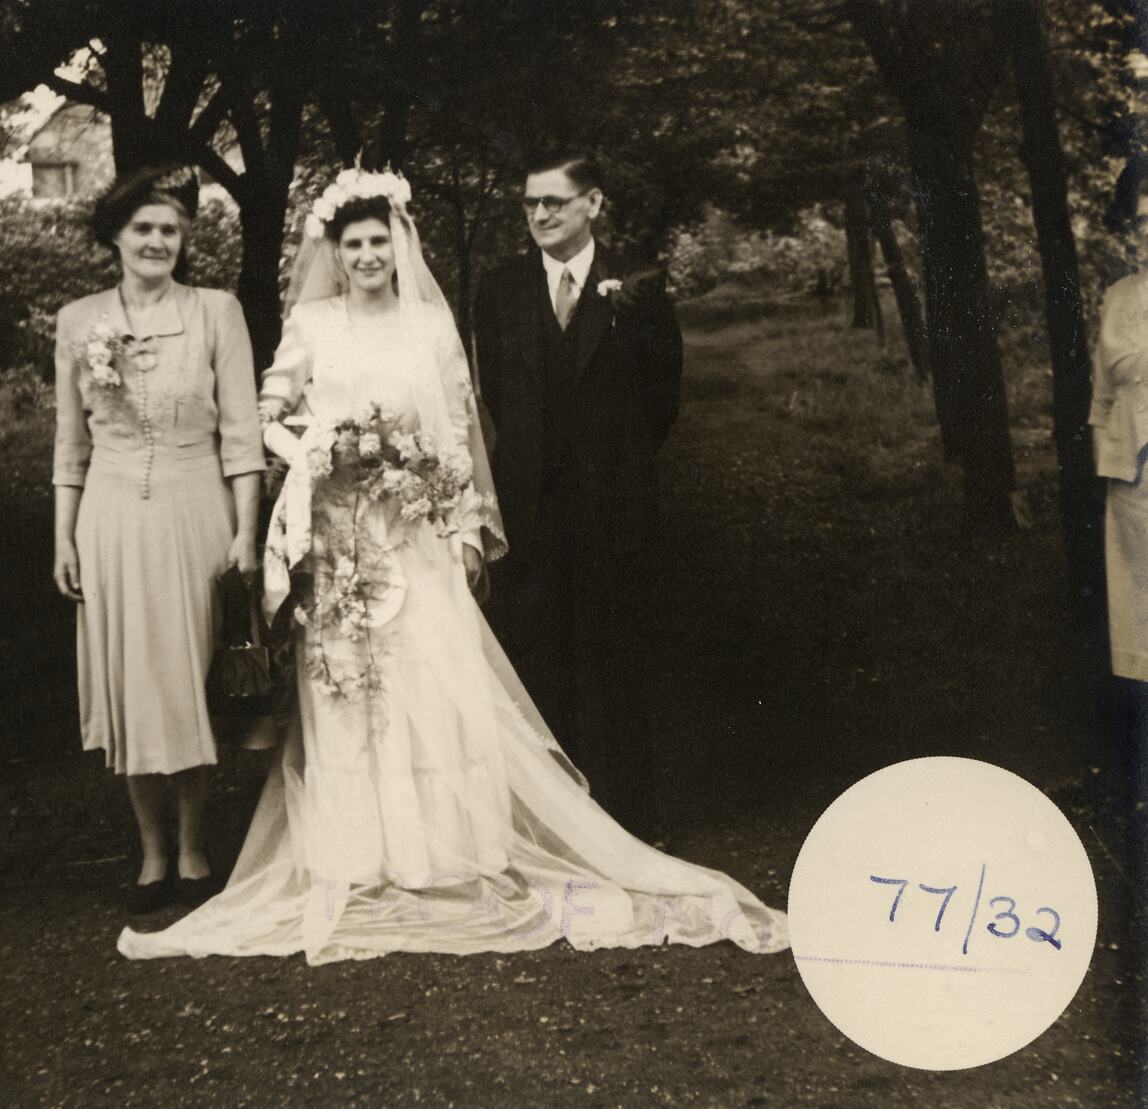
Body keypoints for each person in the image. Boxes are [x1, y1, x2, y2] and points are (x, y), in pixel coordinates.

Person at [117, 166, 786, 965]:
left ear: (399, 246)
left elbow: (461, 430)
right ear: (335, 252)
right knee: (350, 691)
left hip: (416, 531)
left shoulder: (430, 326)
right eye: (353, 245)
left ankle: (443, 847)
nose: (368, 256)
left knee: (431, 681)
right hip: (341, 535)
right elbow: (269, 415)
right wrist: (322, 451)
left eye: (379, 242)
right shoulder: (314, 324)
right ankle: (358, 854)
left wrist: (467, 529)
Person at [52, 169, 264, 914]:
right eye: (142, 228)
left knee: (185, 678)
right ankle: (150, 851)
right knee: (133, 681)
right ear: (114, 236)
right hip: (109, 516)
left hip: (195, 506)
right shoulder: (77, 320)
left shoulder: (216, 312)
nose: (157, 241)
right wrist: (63, 538)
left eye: (170, 230)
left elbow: (243, 434)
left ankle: (195, 845)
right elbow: (69, 444)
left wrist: (247, 531)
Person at [470, 152, 683, 786]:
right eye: (530, 203)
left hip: (614, 501)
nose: (539, 215)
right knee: (540, 658)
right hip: (530, 506)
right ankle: (560, 808)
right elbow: (498, 393)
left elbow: (662, 398)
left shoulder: (638, 283)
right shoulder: (500, 288)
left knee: (618, 656)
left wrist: (614, 461)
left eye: (553, 202)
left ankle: (628, 806)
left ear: (592, 203)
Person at [1092, 155, 1148, 769]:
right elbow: (1102, 402)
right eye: (1140, 219)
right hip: (1136, 487)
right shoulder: (1117, 299)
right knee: (1139, 617)